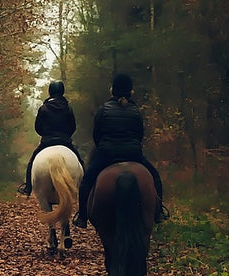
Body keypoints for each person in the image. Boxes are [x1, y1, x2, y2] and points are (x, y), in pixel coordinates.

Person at [73, 73, 167, 226]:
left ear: (112, 90)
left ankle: (82, 216)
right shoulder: (135, 111)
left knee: (86, 182)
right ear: (131, 91)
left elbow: (97, 135)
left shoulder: (103, 110)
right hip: (133, 154)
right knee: (155, 178)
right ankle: (159, 212)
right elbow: (140, 135)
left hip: (107, 155)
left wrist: (104, 147)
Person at [18, 81, 81, 195]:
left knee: (31, 163)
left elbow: (38, 127)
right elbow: (73, 127)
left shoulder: (44, 108)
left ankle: (28, 187)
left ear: (50, 92)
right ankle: (83, 187)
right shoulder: (68, 108)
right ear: (62, 92)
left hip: (47, 141)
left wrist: (45, 134)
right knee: (80, 161)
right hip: (65, 142)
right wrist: (65, 135)